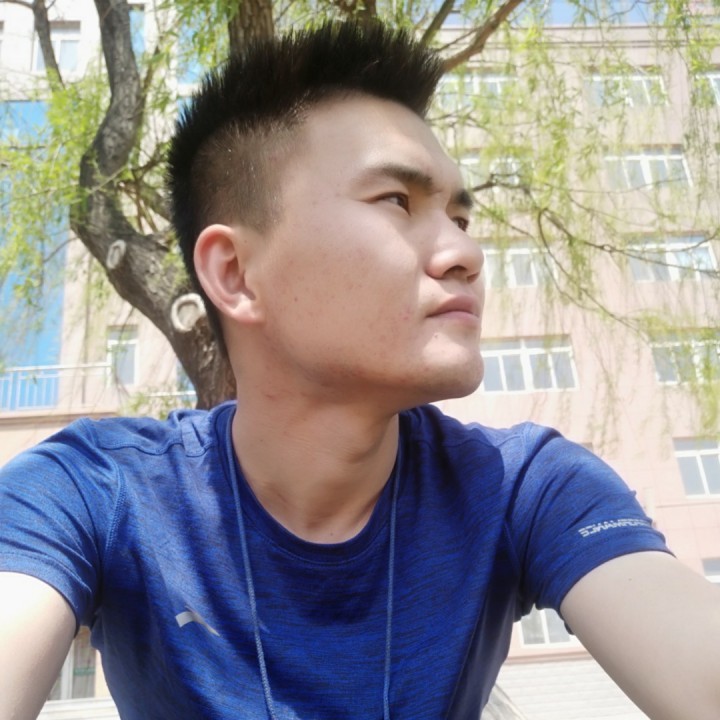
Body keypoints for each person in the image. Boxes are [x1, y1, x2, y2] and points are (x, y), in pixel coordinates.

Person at [0, 20, 718, 720]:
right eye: (397, 201)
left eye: (460, 219)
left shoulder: (525, 487)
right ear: (236, 273)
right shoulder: (95, 491)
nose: (466, 254)